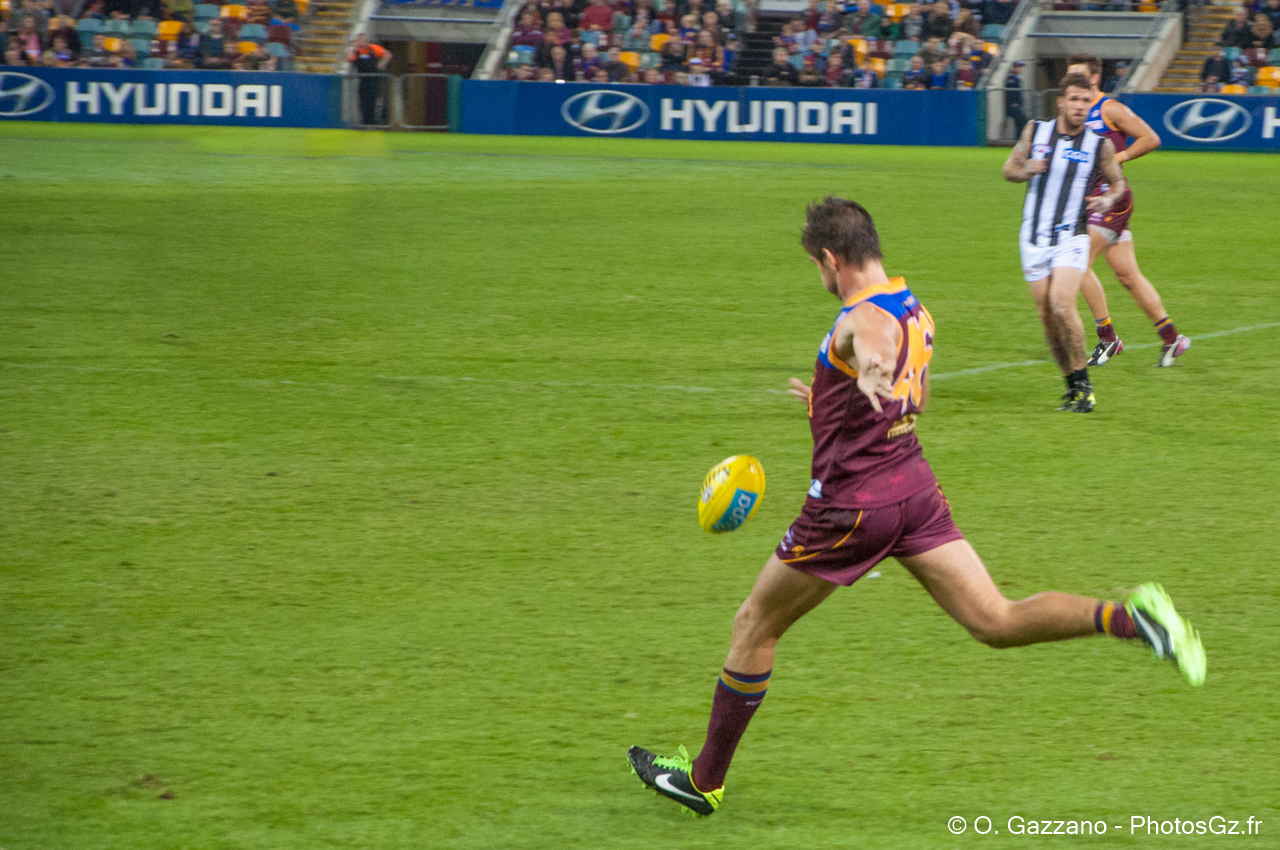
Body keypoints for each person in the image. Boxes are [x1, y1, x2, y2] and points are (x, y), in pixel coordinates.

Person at [626, 195, 1206, 817]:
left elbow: (870, 345)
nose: (820, 278)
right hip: (914, 492)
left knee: (754, 625)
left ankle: (704, 779)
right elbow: (916, 400)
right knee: (995, 620)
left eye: (816, 267)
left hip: (850, 508)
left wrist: (870, 371)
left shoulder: (862, 315)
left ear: (830, 258)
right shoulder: (916, 308)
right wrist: (835, 400)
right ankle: (1132, 619)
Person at [1003, 73, 1127, 412]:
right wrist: (1028, 168)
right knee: (1046, 316)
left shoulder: (1099, 145)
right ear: (1060, 101)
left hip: (1071, 238)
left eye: (1086, 101)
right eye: (1074, 99)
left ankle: (1085, 386)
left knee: (1061, 304)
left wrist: (1107, 200)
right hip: (1033, 238)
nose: (1080, 107)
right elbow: (1008, 169)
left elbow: (1118, 183)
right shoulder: (1036, 131)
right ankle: (1071, 385)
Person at [1067, 53, 1190, 368]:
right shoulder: (1074, 112)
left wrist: (1117, 159)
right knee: (1127, 275)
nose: (1072, 83)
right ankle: (1172, 338)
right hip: (1090, 201)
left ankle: (1108, 338)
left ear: (1095, 78)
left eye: (1079, 76)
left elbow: (1151, 138)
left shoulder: (1110, 109)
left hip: (1111, 198)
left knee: (1076, 262)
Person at [348, 32, 390, 126]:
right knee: (363, 102)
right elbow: (349, 58)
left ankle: (372, 122)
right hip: (363, 80)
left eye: (363, 39)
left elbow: (387, 54)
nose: (361, 41)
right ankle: (364, 122)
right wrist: (353, 48)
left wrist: (381, 64)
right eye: (359, 39)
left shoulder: (373, 48)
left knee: (373, 101)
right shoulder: (356, 51)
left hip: (373, 80)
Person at [1004, 59, 1027, 136]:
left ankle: (1019, 138)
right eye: (1018, 67)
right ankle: (1018, 139)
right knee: (1022, 120)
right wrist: (1013, 103)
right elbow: (1010, 92)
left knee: (1021, 122)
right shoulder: (1011, 79)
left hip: (1017, 105)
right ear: (1014, 68)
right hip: (1013, 106)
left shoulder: (1016, 78)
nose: (1020, 69)